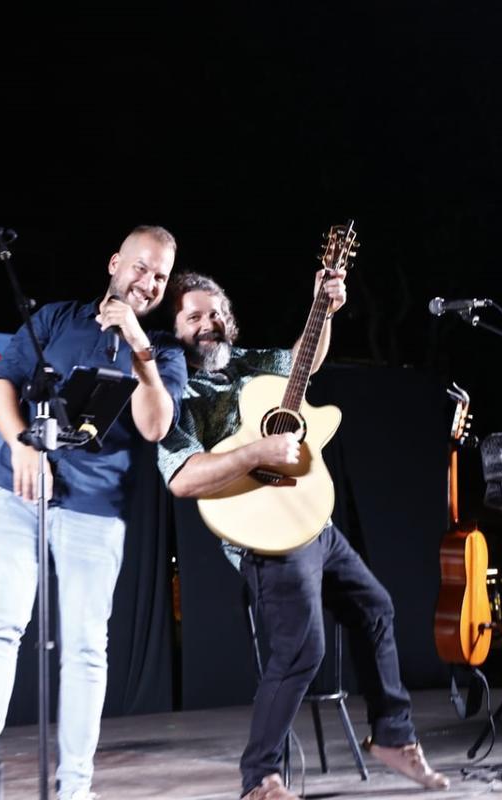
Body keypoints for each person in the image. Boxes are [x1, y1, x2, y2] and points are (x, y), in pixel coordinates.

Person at [157, 271, 449, 799]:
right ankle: (259, 779)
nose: (208, 324)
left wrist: (325, 309)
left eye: (215, 313)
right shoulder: (179, 394)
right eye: (193, 316)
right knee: (302, 651)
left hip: (314, 518)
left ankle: (392, 736)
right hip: (265, 536)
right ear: (175, 328)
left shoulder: (252, 364)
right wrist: (256, 454)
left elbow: (304, 361)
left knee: (375, 607)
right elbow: (182, 478)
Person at [0, 225, 186, 800]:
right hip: (17, 493)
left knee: (85, 647)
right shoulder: (58, 318)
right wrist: (20, 443)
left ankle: (76, 787)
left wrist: (139, 347)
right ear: (115, 263)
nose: (149, 283)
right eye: (141, 267)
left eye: (160, 276)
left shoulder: (164, 349)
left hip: (95, 510)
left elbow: (156, 425)